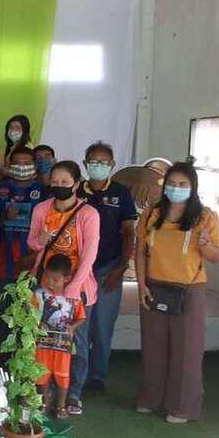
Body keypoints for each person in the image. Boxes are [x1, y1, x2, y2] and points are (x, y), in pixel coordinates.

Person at [135, 161, 219, 423]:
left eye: (183, 184)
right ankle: (150, 399)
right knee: (154, 347)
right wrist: (141, 285)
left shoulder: (205, 217)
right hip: (154, 286)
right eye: (171, 183)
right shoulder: (152, 214)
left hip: (189, 289)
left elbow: (215, 256)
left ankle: (181, 407)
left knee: (187, 350)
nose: (176, 188)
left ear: (193, 187)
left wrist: (205, 244)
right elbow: (140, 252)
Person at [27, 160, 100, 416]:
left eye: (65, 182)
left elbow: (90, 254)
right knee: (43, 341)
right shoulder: (41, 209)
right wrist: (40, 240)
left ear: (76, 184)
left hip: (76, 288)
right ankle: (43, 394)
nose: (59, 185)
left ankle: (73, 395)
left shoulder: (88, 214)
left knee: (75, 342)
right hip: (46, 286)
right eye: (55, 181)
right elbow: (32, 243)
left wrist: (73, 289)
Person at [78, 141, 138, 394]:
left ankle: (97, 376)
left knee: (103, 326)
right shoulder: (76, 190)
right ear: (85, 164)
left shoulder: (121, 193)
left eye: (104, 162)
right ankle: (77, 377)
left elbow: (128, 232)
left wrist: (121, 267)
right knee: (79, 326)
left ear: (112, 165)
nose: (98, 166)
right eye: (93, 162)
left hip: (109, 269)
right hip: (80, 271)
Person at [0, 146, 47, 361]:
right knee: (4, 312)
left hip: (33, 264)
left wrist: (36, 256)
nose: (22, 167)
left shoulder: (45, 192)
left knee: (30, 313)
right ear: (9, 166)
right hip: (4, 262)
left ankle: (27, 361)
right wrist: (4, 218)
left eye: (27, 163)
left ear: (34, 167)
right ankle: (3, 361)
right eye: (17, 163)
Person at [33, 254, 87, 419]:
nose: (50, 282)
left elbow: (81, 317)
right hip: (43, 344)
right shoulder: (39, 295)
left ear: (67, 279)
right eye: (47, 277)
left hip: (63, 346)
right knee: (41, 373)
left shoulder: (73, 298)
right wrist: (37, 324)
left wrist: (72, 327)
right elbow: (30, 314)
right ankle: (44, 402)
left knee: (62, 375)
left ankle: (61, 406)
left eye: (55, 279)